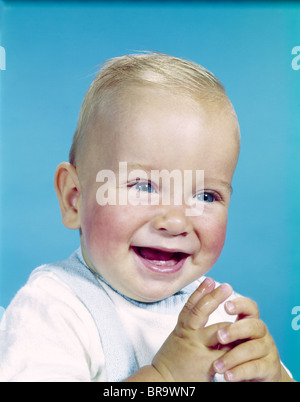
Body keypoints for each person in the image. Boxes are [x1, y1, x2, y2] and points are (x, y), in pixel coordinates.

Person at [0, 53, 293, 382]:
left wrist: (272, 376)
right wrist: (165, 377)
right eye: (143, 186)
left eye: (205, 196)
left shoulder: (219, 314)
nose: (177, 222)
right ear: (74, 199)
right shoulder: (53, 310)